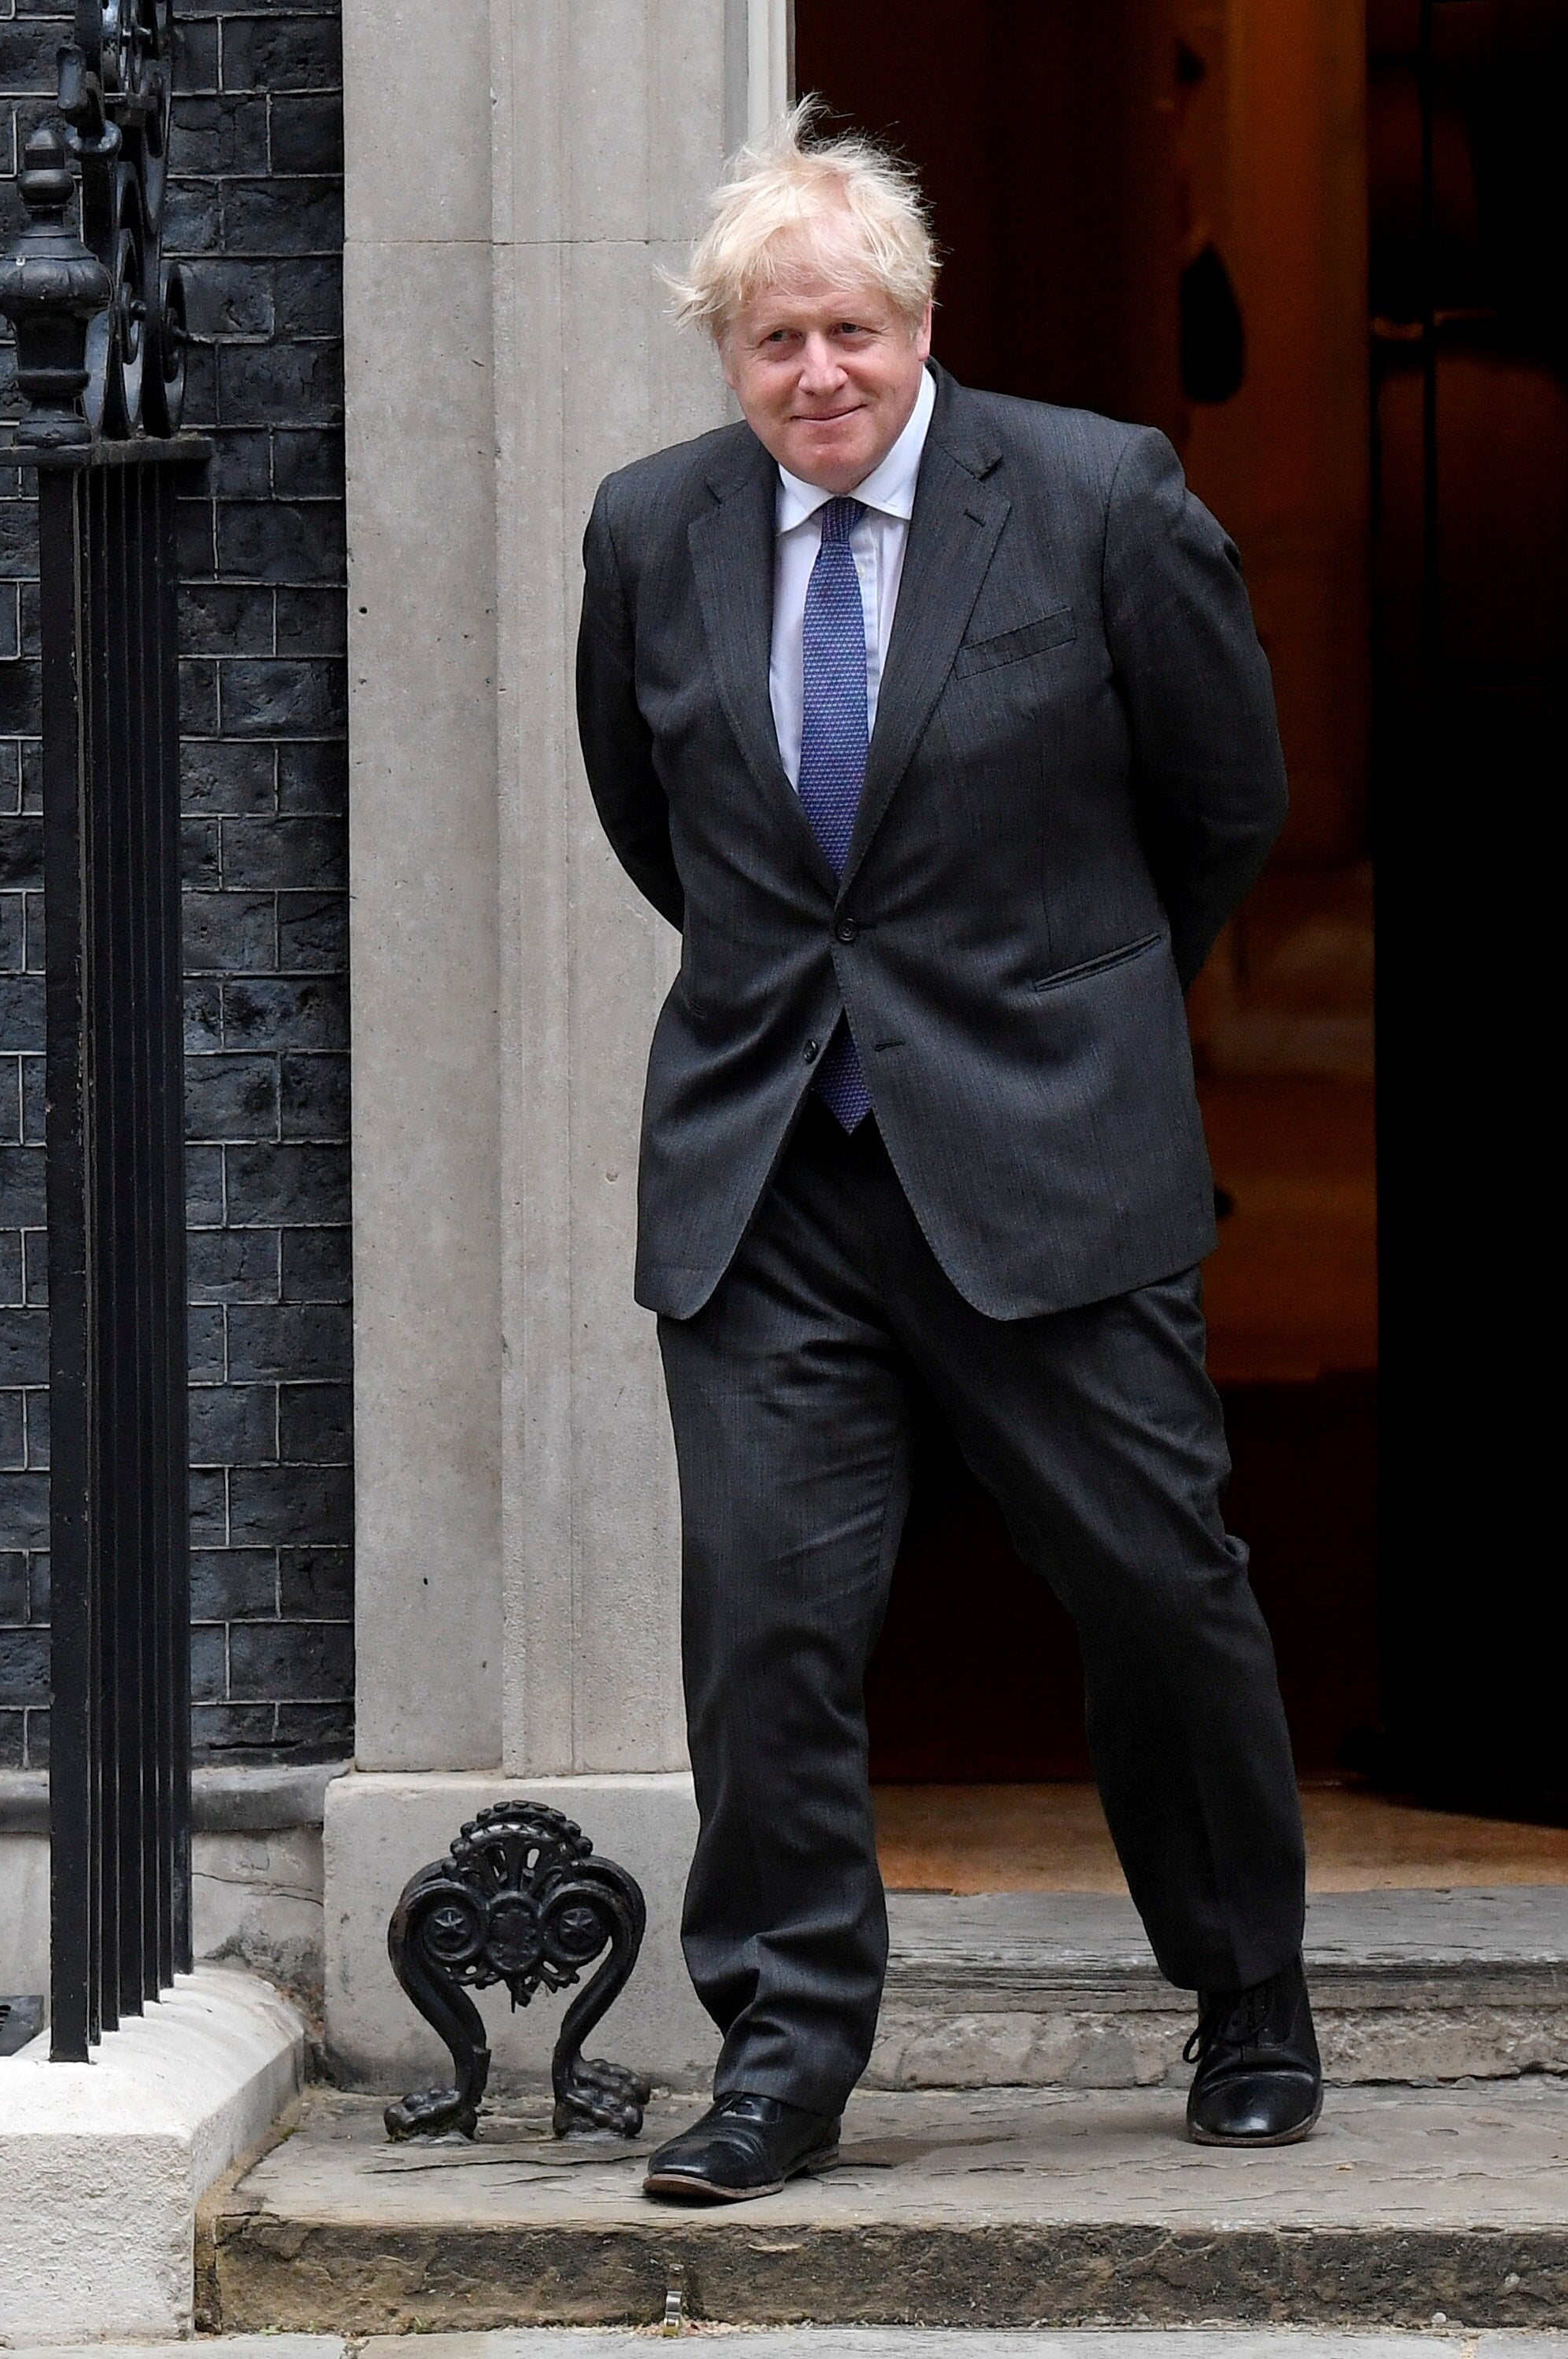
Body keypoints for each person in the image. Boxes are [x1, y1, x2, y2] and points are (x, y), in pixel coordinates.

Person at [572, 104, 1317, 2206]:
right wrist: (815, 1011)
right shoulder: (651, 533)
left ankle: (1248, 1994)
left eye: (857, 333)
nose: (822, 374)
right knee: (767, 1629)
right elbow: (667, 825)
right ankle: (785, 2058)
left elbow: (1225, 801)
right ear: (727, 354)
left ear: (923, 326)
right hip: (771, 1173)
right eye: (777, 340)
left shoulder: (1093, 498)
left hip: (1049, 1158)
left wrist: (1066, 1012)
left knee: (1163, 1594)